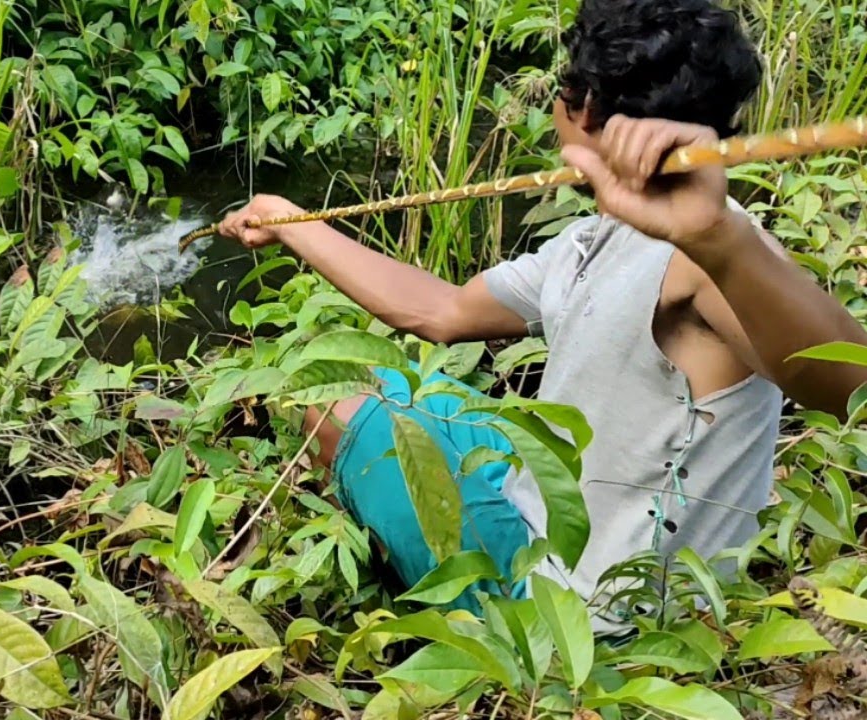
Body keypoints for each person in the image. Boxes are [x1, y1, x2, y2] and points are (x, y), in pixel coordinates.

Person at [216, 0, 867, 633]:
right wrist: (292, 223)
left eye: (563, 87)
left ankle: (442, 609)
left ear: (580, 107)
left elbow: (851, 389)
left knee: (335, 413)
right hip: (552, 495)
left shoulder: (713, 256)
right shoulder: (596, 241)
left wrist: (721, 238)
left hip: (580, 611)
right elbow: (439, 309)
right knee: (379, 382)